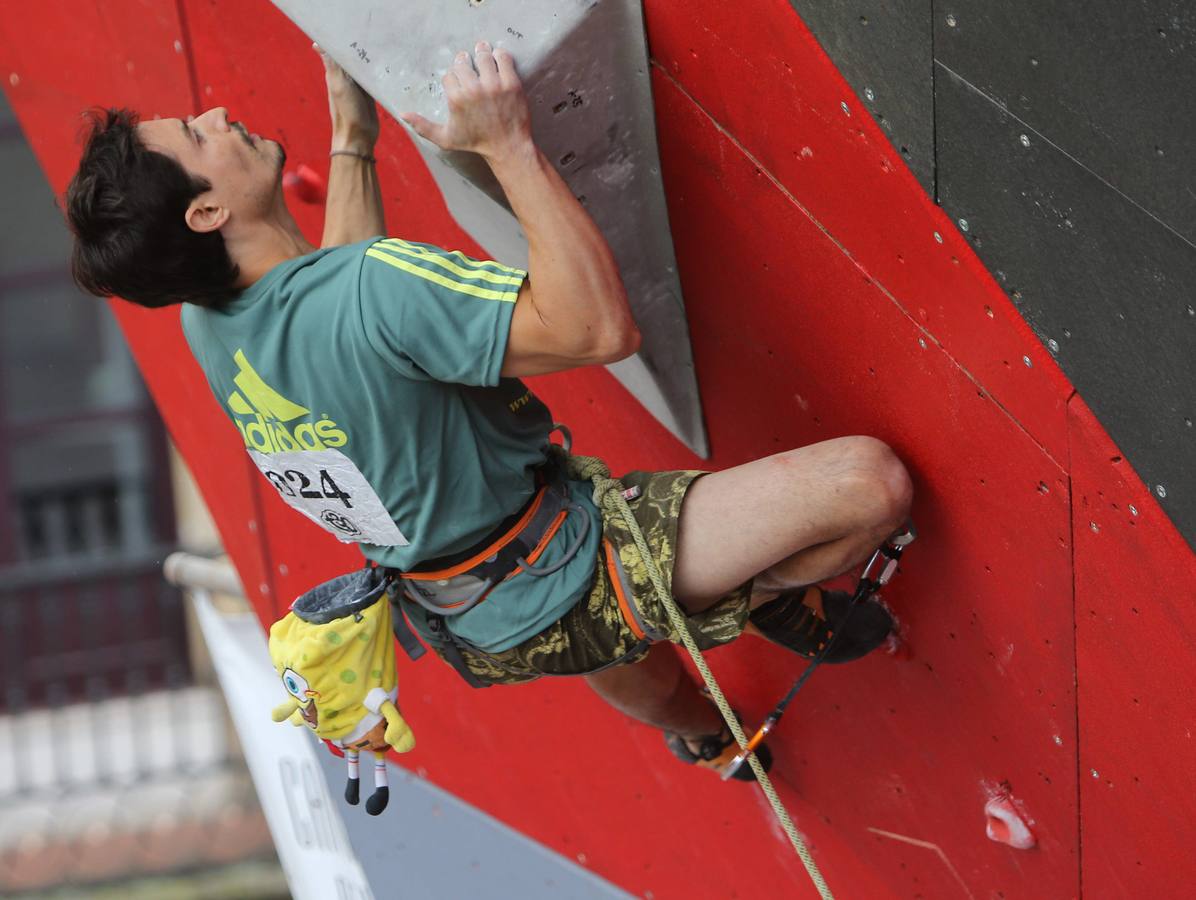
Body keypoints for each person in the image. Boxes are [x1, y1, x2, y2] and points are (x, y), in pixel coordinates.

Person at [64, 42, 913, 779]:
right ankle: (747, 593)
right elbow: (596, 328)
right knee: (867, 488)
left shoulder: (209, 326)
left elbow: (337, 301)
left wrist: (352, 139)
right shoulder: (372, 288)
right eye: (197, 135)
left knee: (609, 654)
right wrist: (506, 144)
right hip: (569, 555)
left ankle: (712, 740)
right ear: (206, 211)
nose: (215, 111)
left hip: (470, 622)